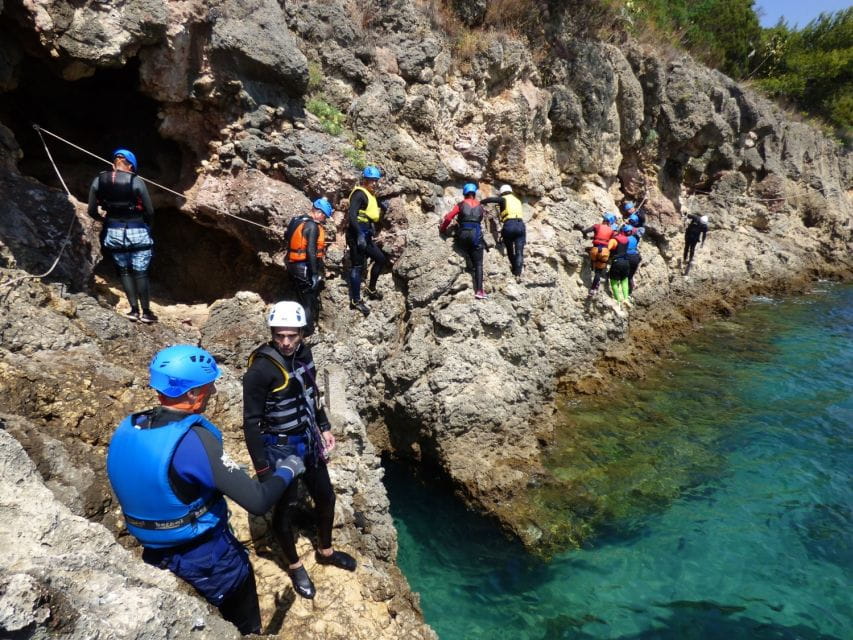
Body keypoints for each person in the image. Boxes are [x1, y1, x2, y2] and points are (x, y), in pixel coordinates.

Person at [106, 345, 305, 635]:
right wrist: (288, 468)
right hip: (208, 562)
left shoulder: (129, 427)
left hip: (153, 554)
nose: (212, 393)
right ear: (191, 394)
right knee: (243, 624)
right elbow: (258, 500)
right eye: (208, 387)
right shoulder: (192, 441)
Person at [242, 301, 356, 600]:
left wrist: (325, 425)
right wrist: (263, 468)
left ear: (302, 333)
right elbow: (251, 423)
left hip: (307, 440)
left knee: (326, 497)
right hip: (280, 448)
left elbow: (312, 394)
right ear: (272, 333)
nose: (286, 342)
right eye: (279, 336)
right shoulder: (261, 370)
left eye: (292, 335)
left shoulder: (304, 355)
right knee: (286, 509)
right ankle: (294, 565)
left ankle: (326, 550)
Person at [87, 149, 157, 323]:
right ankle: (147, 313)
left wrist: (103, 220)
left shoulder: (99, 180)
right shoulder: (136, 181)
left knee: (124, 272)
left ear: (114, 164)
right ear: (131, 166)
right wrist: (147, 225)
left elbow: (91, 210)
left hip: (113, 231)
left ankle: (134, 311)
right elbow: (149, 211)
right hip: (138, 230)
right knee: (140, 273)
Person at [286, 197, 333, 335]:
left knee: (299, 296)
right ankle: (307, 330)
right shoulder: (312, 226)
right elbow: (311, 251)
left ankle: (298, 326)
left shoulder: (296, 220)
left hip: (291, 264)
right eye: (324, 216)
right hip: (303, 267)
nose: (324, 220)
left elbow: (286, 236)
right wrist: (314, 273)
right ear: (319, 212)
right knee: (307, 299)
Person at [347, 166, 390, 316]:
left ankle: (371, 289)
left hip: (366, 234)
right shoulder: (359, 194)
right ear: (364, 180)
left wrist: (382, 207)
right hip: (356, 234)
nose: (374, 184)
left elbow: (371, 212)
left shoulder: (370, 195)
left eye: (375, 181)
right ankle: (355, 300)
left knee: (380, 259)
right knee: (357, 266)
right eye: (371, 181)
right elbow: (352, 215)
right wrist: (358, 233)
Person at [439, 183, 488, 299]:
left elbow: (449, 217)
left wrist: (442, 229)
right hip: (475, 236)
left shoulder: (460, 205)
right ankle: (480, 291)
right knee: (479, 264)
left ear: (465, 193)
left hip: (462, 237)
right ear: (474, 193)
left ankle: (466, 259)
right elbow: (481, 219)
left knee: (466, 247)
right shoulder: (480, 207)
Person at [480, 184, 526, 280]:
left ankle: (514, 269)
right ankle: (518, 272)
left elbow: (491, 200)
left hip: (509, 225)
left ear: (502, 193)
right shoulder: (517, 200)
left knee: (510, 249)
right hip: (521, 225)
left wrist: (481, 202)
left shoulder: (503, 199)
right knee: (519, 251)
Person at [582, 212, 618, 297]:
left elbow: (586, 231)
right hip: (604, 252)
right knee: (598, 272)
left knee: (593, 260)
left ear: (604, 220)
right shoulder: (612, 231)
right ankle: (593, 289)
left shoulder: (597, 226)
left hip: (595, 250)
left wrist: (586, 236)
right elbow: (614, 240)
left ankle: (591, 267)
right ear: (610, 222)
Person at [608, 224, 633, 305]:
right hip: (626, 262)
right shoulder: (627, 239)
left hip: (617, 262)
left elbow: (607, 249)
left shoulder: (614, 240)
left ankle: (617, 300)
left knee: (614, 281)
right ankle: (626, 298)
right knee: (624, 281)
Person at [625, 224, 642, 295]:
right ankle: (631, 288)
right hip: (636, 257)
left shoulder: (625, 239)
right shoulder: (636, 238)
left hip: (629, 257)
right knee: (630, 275)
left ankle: (629, 289)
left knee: (628, 275)